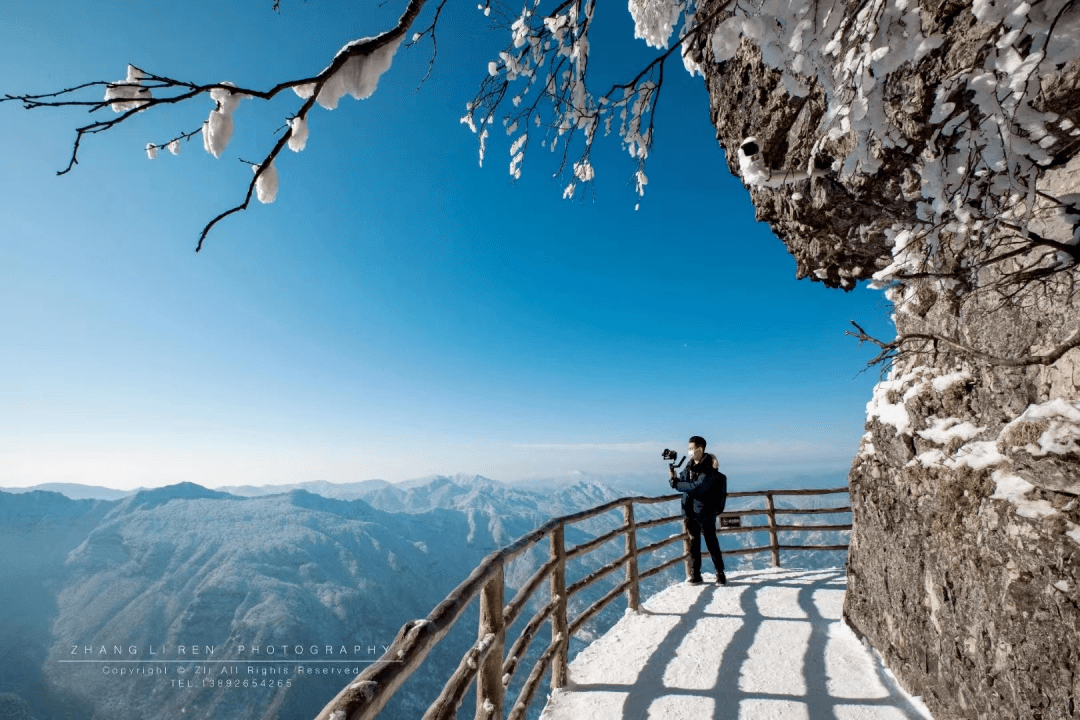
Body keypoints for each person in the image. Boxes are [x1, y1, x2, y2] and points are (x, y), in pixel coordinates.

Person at [668, 435, 728, 585]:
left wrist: (676, 484)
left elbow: (697, 488)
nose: (689, 451)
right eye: (688, 448)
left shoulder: (709, 470)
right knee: (694, 544)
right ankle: (696, 574)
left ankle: (720, 573)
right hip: (689, 512)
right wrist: (673, 480)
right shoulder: (689, 466)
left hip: (705, 512)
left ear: (700, 449)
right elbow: (682, 482)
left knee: (711, 543)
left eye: (691, 449)